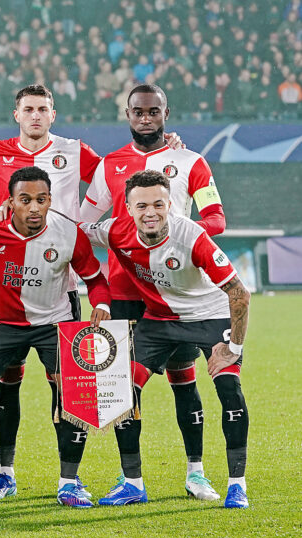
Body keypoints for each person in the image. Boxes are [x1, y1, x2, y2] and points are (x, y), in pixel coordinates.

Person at [79, 84, 227, 502]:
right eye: (138, 112)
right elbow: (84, 223)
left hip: (176, 291)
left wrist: (177, 233)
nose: (146, 118)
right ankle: (132, 480)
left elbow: (215, 218)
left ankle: (196, 473)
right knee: (122, 388)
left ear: (166, 112)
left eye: (153, 111)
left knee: (184, 379)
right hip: (127, 291)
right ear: (127, 115)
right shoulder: (110, 165)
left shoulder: (189, 160)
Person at [0, 166, 110, 509]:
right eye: (25, 200)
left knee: (72, 391)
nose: (34, 207)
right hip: (0, 322)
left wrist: (102, 303)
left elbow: (95, 277)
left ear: (50, 201)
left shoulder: (68, 233)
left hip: (54, 322)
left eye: (41, 200)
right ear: (10, 202)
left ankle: (69, 482)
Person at [0, 84, 103, 501]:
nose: (36, 115)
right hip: (5, 296)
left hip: (59, 284)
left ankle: (69, 481)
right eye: (29, 109)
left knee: (69, 388)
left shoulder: (73, 150)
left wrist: (85, 220)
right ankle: (2, 473)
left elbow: (112, 178)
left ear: (53, 115)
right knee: (2, 383)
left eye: (43, 109)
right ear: (16, 114)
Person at [81, 170, 250, 509]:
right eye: (141, 205)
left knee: (228, 389)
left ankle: (236, 485)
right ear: (127, 209)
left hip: (208, 315)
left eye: (159, 204)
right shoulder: (115, 230)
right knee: (122, 391)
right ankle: (132, 484)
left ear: (171, 204)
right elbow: (73, 233)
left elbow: (239, 293)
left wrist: (234, 348)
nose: (150, 213)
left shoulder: (192, 237)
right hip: (158, 321)